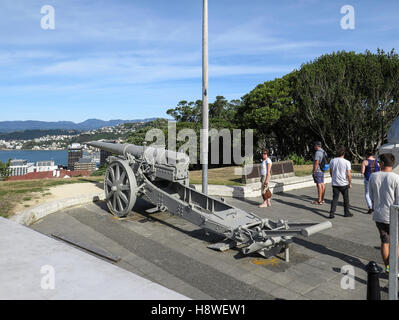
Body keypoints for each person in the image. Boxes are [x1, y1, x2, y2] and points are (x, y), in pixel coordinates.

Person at [369, 153, 399, 274]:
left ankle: (388, 267)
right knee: (396, 243)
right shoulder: (396, 178)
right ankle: (395, 268)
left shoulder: (373, 176)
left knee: (384, 241)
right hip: (393, 215)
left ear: (381, 163)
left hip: (379, 215)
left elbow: (371, 197)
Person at [328, 146, 353, 219]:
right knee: (346, 199)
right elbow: (348, 174)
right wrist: (350, 183)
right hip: (344, 184)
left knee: (335, 198)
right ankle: (346, 212)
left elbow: (331, 172)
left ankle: (332, 213)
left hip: (335, 183)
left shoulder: (332, 161)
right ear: (344, 153)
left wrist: (333, 178)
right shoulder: (347, 162)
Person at [361, 150, 380, 214]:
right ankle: (375, 206)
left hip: (368, 179)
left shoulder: (365, 161)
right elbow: (380, 168)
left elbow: (362, 172)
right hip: (376, 179)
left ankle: (370, 207)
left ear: (366, 154)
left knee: (367, 193)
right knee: (375, 193)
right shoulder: (377, 161)